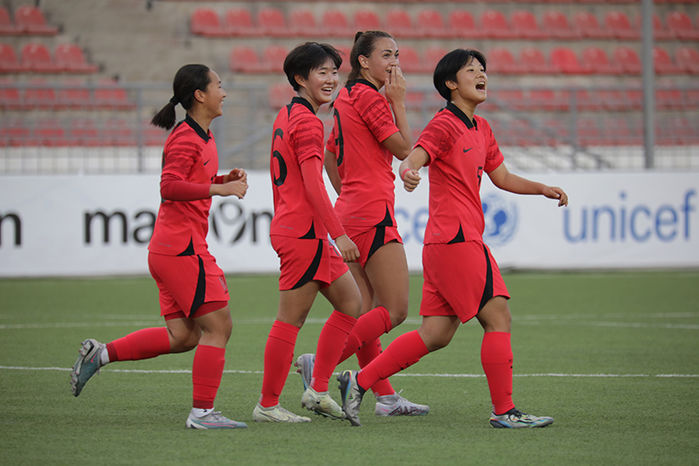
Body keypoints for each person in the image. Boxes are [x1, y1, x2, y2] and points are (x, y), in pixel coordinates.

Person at [337, 48, 568, 428]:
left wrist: (542, 188)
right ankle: (505, 411)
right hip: (456, 240)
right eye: (472, 70)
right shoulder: (444, 124)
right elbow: (414, 156)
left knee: (436, 333)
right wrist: (409, 172)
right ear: (450, 84)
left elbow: (503, 177)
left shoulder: (482, 128)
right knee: (498, 316)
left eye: (483, 70)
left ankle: (358, 382)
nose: (482, 76)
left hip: (451, 243)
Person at [70, 64, 249, 430]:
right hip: (182, 250)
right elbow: (168, 186)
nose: (224, 92)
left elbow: (189, 179)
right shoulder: (185, 138)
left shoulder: (203, 136)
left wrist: (220, 179)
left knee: (183, 337)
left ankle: (99, 354)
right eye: (219, 85)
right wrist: (218, 189)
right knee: (219, 326)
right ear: (199, 95)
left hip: (172, 249)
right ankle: (202, 414)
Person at [294, 30, 429, 418]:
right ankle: (319, 366)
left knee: (366, 308)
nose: (394, 62)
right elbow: (405, 149)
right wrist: (398, 101)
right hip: (373, 212)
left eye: (398, 55)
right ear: (363, 61)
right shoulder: (371, 97)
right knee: (396, 309)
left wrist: (348, 194)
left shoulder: (346, 98)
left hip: (353, 209)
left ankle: (385, 397)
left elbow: (330, 154)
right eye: (386, 55)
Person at [252, 42, 361, 424]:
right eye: (322, 72)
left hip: (303, 230)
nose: (331, 79)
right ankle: (267, 405)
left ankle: (316, 389)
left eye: (335, 72)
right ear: (300, 79)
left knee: (351, 303)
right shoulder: (308, 122)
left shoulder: (289, 114)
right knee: (289, 321)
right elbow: (314, 185)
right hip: (303, 233)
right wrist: (340, 234)